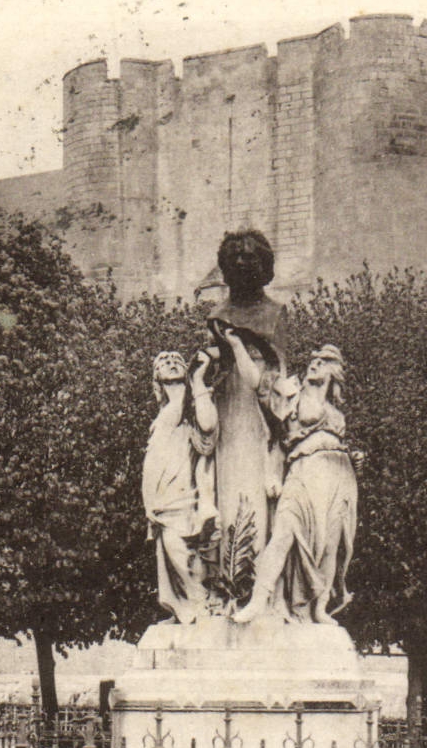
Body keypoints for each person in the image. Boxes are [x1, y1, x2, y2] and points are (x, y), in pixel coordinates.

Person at [232, 344, 357, 625]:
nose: (314, 364)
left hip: (339, 475)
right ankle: (257, 600)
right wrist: (236, 344)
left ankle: (319, 608)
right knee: (285, 531)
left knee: (330, 545)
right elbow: (258, 388)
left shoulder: (334, 410)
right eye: (314, 360)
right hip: (304, 470)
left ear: (334, 371)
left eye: (323, 362)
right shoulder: (291, 394)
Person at [207, 231, 287, 563]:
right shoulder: (216, 314)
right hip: (226, 409)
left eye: (250, 256)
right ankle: (227, 574)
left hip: (260, 411)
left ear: (264, 264)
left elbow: (279, 373)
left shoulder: (275, 311)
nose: (241, 262)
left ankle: (256, 570)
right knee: (226, 487)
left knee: (258, 488)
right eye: (234, 256)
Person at [142, 349, 218, 624]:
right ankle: (189, 603)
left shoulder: (186, 407)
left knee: (182, 546)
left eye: (177, 360)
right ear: (156, 378)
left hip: (184, 487)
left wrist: (197, 379)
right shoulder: (167, 411)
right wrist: (148, 498)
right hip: (163, 488)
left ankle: (197, 601)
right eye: (164, 361)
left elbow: (208, 426)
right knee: (173, 548)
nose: (171, 362)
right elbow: (152, 459)